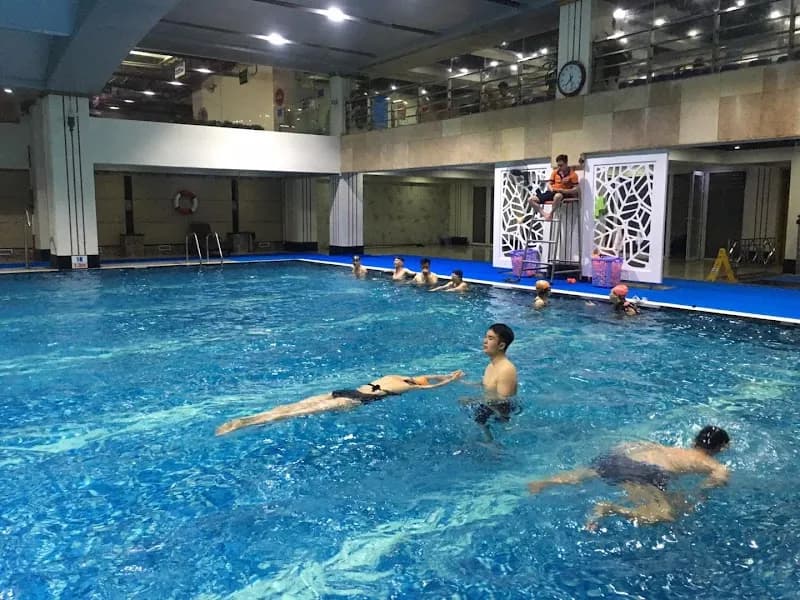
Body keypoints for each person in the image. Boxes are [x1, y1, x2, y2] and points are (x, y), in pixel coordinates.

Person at [528, 426, 731, 529]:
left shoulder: (672, 449)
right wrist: (700, 495)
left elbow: (633, 446)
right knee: (664, 515)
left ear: (694, 440)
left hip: (621, 458)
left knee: (586, 474)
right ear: (721, 448)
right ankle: (610, 508)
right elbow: (716, 481)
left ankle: (544, 482)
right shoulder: (711, 463)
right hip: (646, 472)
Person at [215, 370, 465, 435]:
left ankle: (250, 419)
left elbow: (431, 379)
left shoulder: (397, 377)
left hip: (348, 391)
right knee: (298, 412)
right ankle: (247, 423)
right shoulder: (407, 386)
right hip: (358, 399)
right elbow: (433, 384)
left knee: (295, 407)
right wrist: (450, 379)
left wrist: (446, 376)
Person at [463, 323, 518, 441]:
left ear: (501, 345)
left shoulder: (507, 369)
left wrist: (475, 401)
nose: (485, 341)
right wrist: (461, 381)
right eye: (486, 337)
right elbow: (487, 385)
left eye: (490, 338)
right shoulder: (491, 365)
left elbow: (504, 402)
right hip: (487, 410)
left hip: (498, 418)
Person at [530, 154, 580, 220]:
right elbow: (549, 184)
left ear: (566, 164)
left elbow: (576, 189)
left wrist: (565, 191)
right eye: (558, 165)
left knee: (558, 196)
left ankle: (551, 213)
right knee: (531, 199)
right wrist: (551, 189)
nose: (559, 167)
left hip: (564, 193)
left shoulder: (573, 174)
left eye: (561, 165)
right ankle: (545, 214)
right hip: (552, 192)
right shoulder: (555, 172)